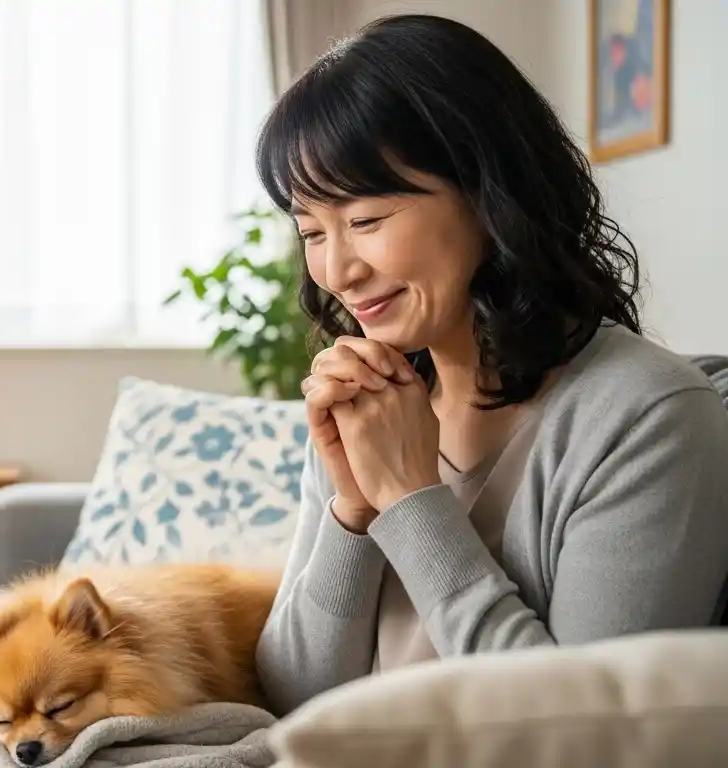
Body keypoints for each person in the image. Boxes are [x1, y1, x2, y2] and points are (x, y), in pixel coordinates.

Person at [251, 14, 728, 716]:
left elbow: (584, 740)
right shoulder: (369, 401)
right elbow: (295, 700)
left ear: (485, 188)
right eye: (311, 232)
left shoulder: (648, 419)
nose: (339, 272)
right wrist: (352, 510)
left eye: (366, 221)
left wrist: (413, 504)